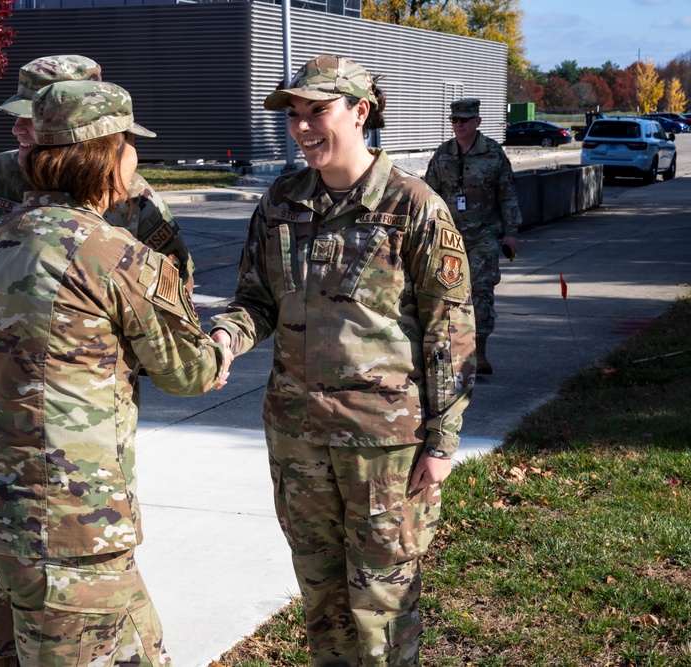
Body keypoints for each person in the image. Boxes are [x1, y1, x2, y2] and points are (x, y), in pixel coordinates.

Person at [0, 79, 225, 667]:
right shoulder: (114, 255)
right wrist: (225, 336)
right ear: (105, 155)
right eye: (129, 144)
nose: (136, 158)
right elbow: (188, 372)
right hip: (76, 533)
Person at [210, 55, 476, 666]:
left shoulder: (413, 206)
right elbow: (256, 300)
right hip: (298, 436)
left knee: (382, 604)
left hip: (382, 446)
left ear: (360, 111)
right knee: (322, 597)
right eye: (295, 115)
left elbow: (450, 331)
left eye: (317, 112)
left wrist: (441, 443)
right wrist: (226, 338)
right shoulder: (281, 200)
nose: (302, 128)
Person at [0, 55, 193, 283]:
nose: (16, 128)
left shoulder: (132, 192)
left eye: (35, 117)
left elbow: (174, 284)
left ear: (81, 123)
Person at [424, 98, 522, 374]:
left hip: (484, 235)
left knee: (480, 292)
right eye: (455, 120)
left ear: (477, 121)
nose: (459, 125)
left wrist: (511, 233)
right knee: (445, 294)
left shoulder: (493, 153)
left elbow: (508, 194)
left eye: (465, 120)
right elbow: (429, 196)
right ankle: (450, 351)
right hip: (449, 238)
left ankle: (479, 353)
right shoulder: (442, 154)